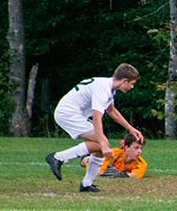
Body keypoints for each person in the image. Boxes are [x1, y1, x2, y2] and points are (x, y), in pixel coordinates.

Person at [45, 63, 143, 192]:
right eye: (131, 83)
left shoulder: (108, 87)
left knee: (101, 147)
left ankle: (86, 184)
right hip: (68, 114)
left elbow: (111, 111)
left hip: (73, 113)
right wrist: (103, 143)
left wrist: (130, 128)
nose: (132, 87)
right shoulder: (103, 89)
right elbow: (97, 119)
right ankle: (58, 157)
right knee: (102, 143)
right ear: (125, 80)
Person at [80, 133, 147, 179]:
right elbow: (96, 171)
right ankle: (88, 153)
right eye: (136, 148)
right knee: (87, 161)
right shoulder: (113, 154)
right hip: (93, 159)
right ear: (126, 147)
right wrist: (105, 174)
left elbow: (135, 175)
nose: (139, 151)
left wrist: (120, 175)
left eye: (141, 148)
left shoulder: (141, 163)